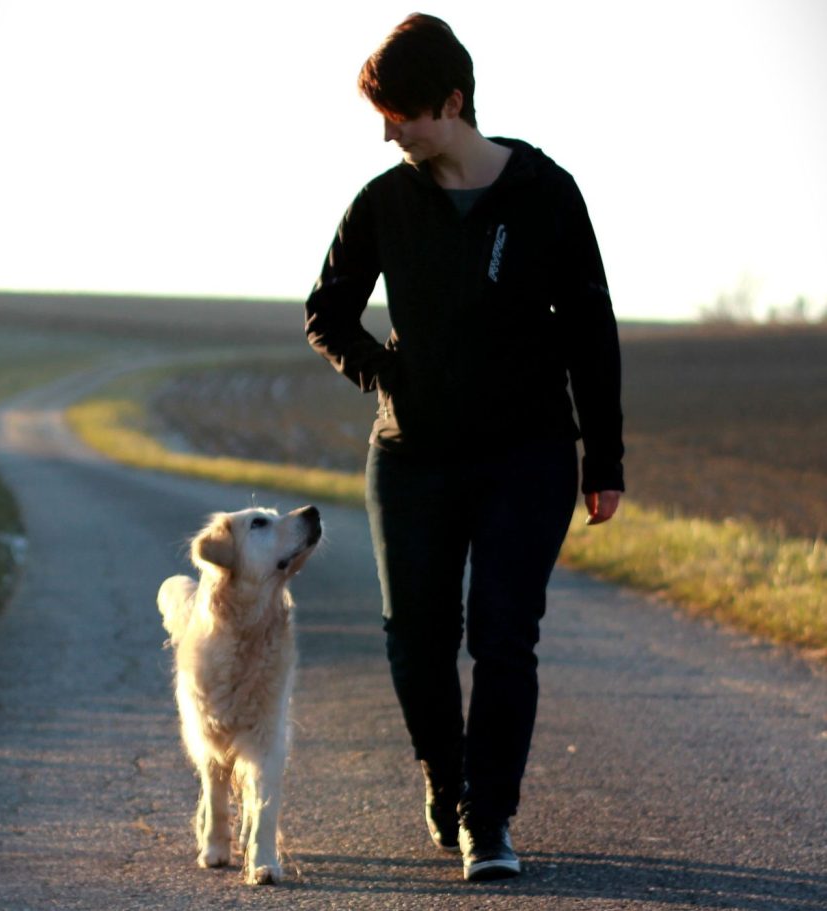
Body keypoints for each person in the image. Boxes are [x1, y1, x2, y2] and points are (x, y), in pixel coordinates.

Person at [305, 13, 624, 882]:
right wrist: (385, 375)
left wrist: (605, 462)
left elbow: (591, 329)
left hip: (528, 455)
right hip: (410, 458)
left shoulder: (546, 193)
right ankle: (445, 784)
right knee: (415, 637)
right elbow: (326, 313)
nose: (388, 132)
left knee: (502, 635)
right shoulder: (383, 202)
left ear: (451, 102)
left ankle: (489, 819)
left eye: (401, 114)